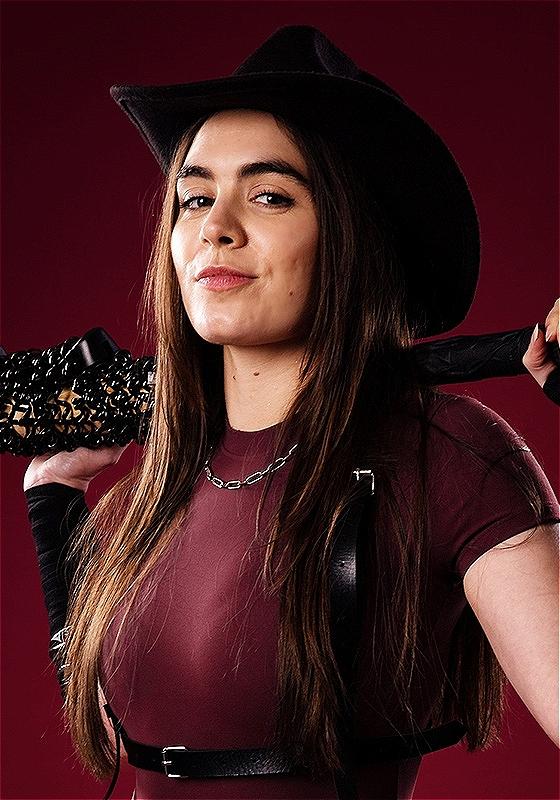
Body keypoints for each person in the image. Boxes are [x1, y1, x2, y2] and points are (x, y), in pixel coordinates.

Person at [22, 25, 559, 800]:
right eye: (195, 197)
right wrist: (54, 501)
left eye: (269, 195)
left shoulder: (447, 454)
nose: (216, 226)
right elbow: (117, 738)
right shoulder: (168, 478)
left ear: (350, 233)